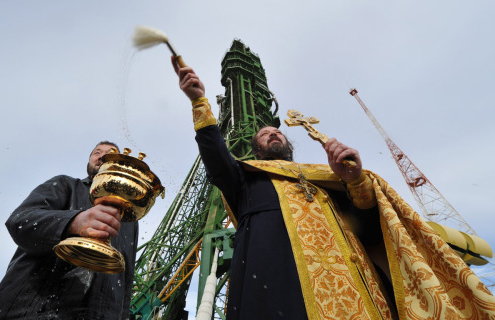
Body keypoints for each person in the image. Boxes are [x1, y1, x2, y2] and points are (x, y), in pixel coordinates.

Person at [172, 57, 495, 320]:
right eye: (265, 134)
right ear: (256, 151)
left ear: (288, 144)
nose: (273, 134)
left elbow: (367, 226)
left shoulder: (323, 181)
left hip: (349, 291)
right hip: (274, 282)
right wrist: (199, 101)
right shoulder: (247, 179)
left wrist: (354, 180)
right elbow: (216, 157)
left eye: (277, 133)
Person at [0, 141, 138, 320]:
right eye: (97, 152)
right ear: (90, 162)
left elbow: (125, 279)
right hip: (31, 311)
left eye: (110, 153)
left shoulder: (130, 222)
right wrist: (74, 221)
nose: (101, 156)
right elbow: (20, 221)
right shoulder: (65, 185)